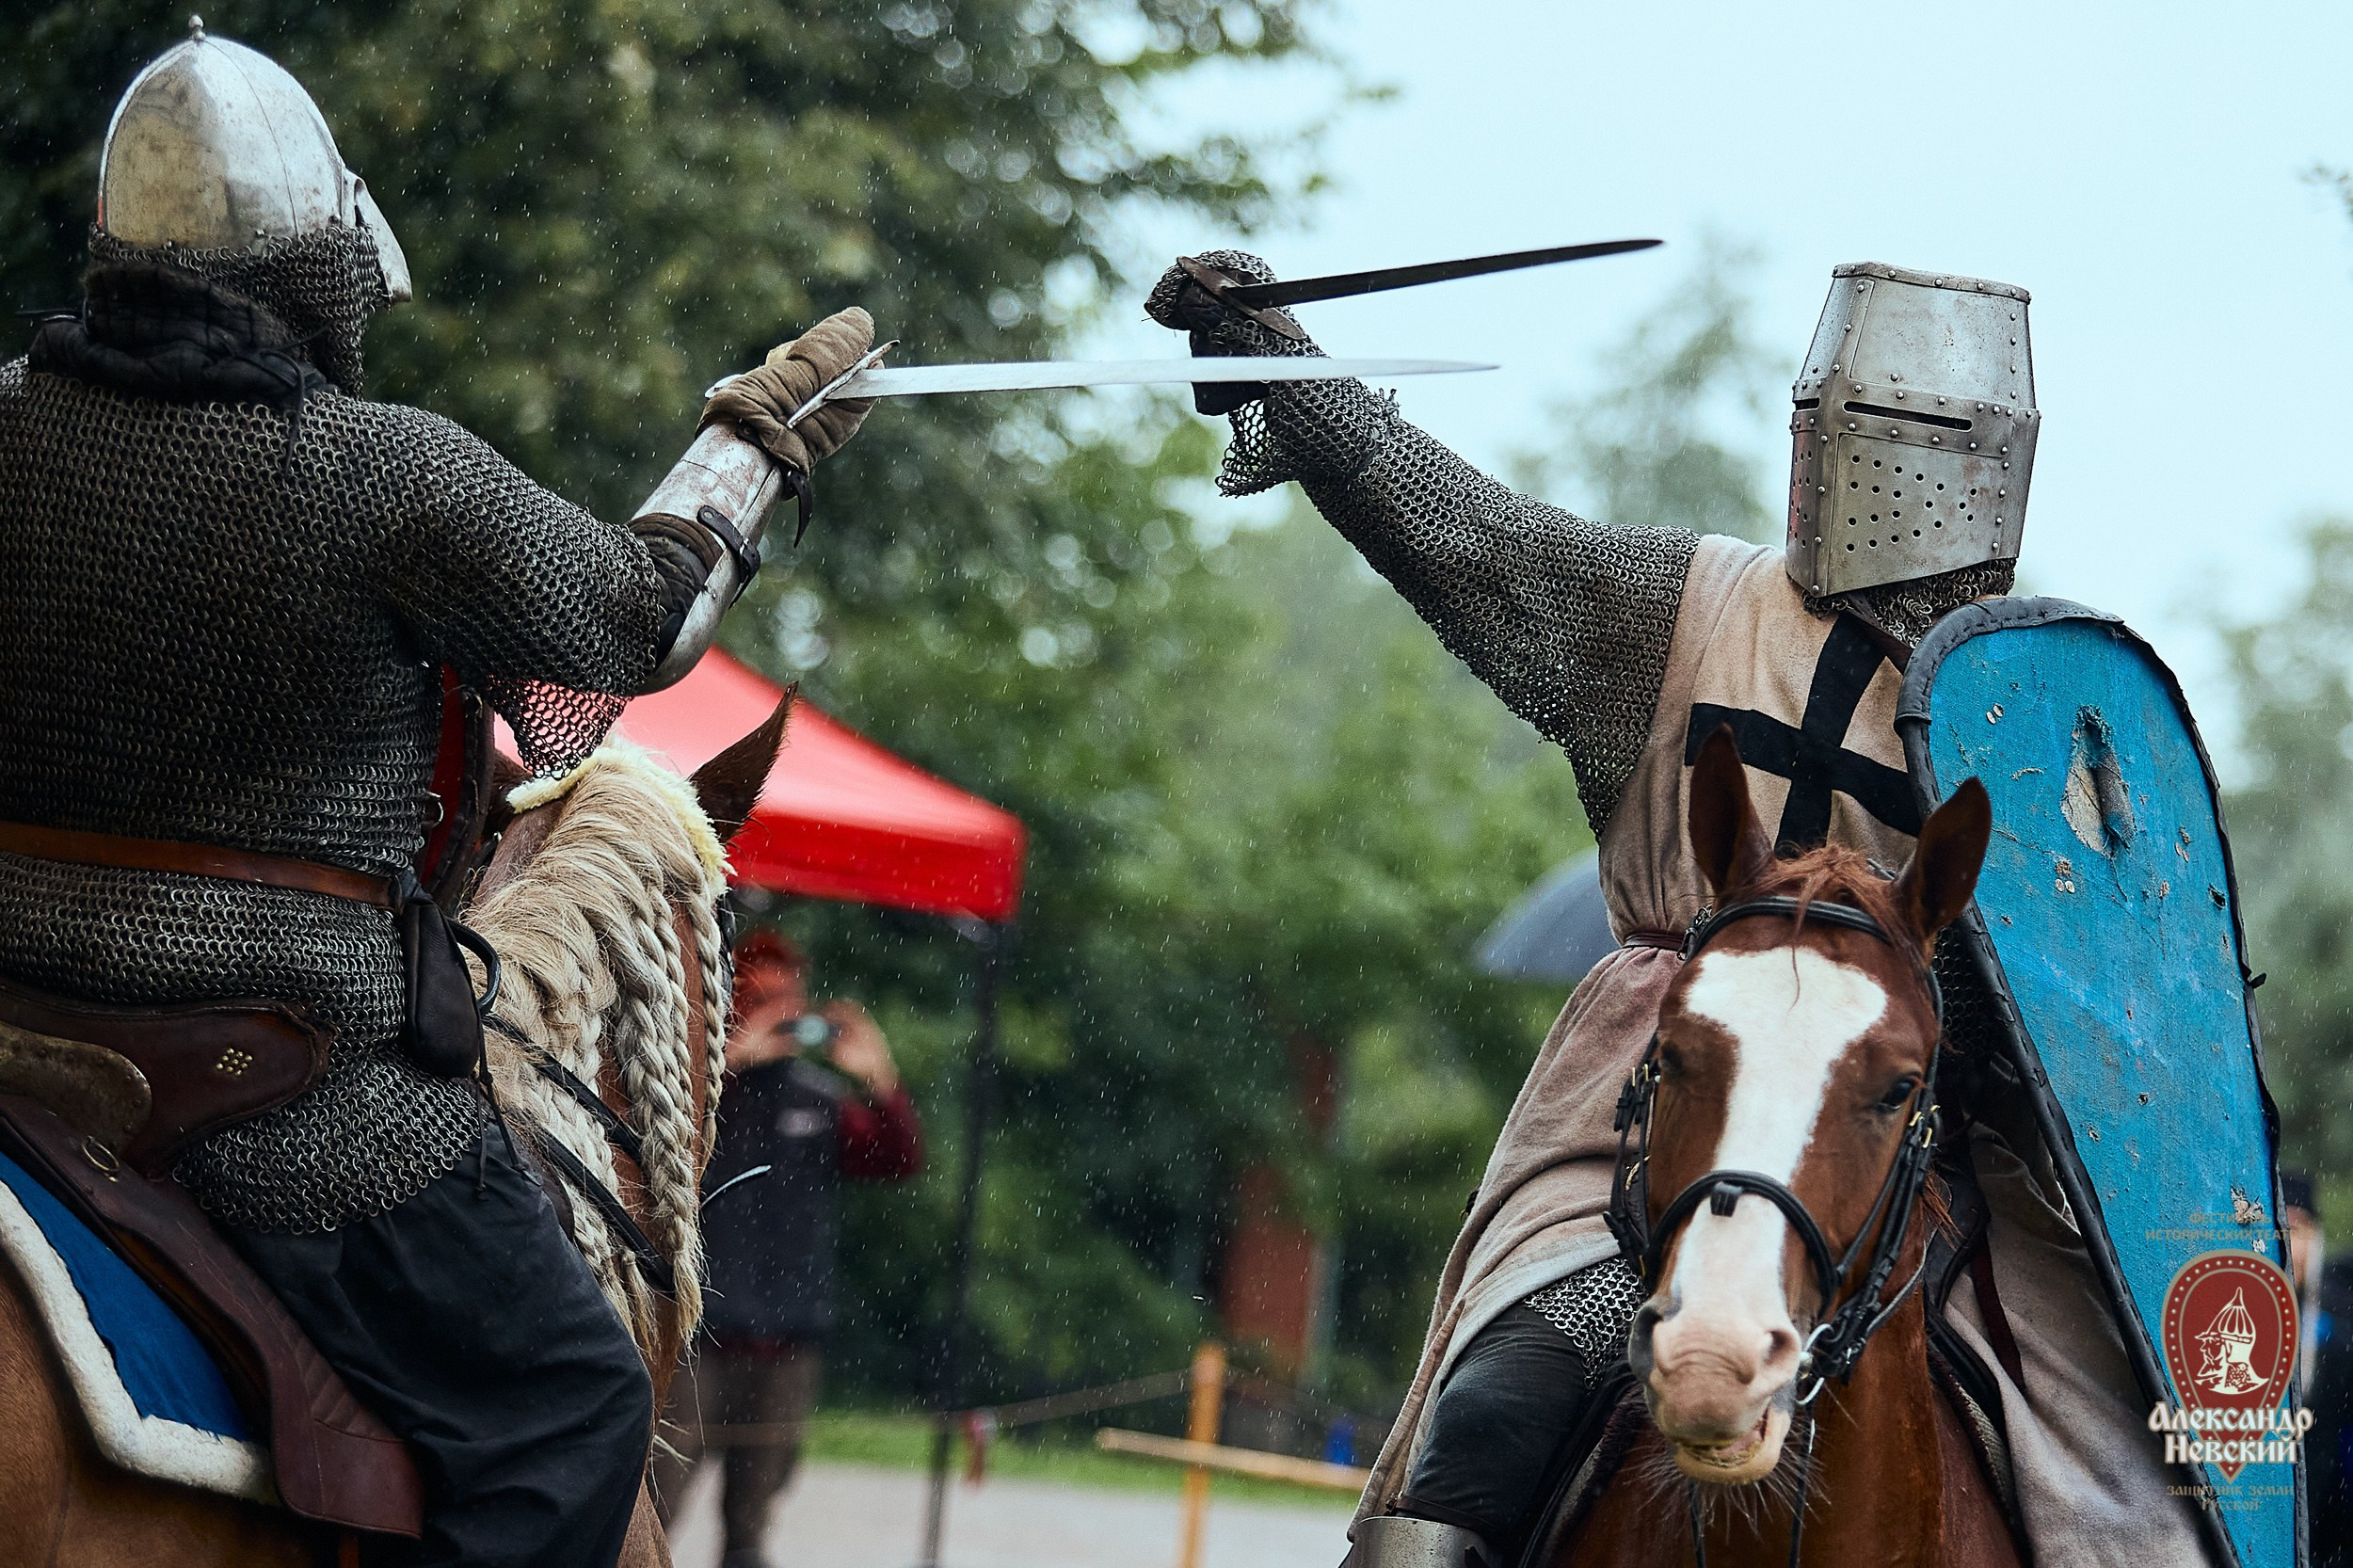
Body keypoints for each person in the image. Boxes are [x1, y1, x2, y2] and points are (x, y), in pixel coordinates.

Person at [1148, 255, 2212, 1565]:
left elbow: (2119, 1006)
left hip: (1922, 1141)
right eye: (1860, 427)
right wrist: (1282, 363)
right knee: (1490, 1422)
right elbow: (1462, 531)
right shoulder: (1683, 608)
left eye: (1924, 442)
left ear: (1990, 468)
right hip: (1654, 1093)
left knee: (2135, 1491)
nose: (1883, 467)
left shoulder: (2036, 708)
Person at [0, 25, 880, 1568]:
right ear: (309, 264)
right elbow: (629, 626)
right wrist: (753, 449)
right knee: (571, 1402)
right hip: (278, 1075)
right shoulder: (376, 470)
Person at [656, 930, 922, 1567]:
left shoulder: (820, 1101)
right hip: (702, 1334)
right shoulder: (694, 1092)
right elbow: (657, 1152)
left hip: (788, 1335)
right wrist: (728, 1059)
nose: (780, 1014)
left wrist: (878, 1078)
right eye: (762, 998)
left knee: (752, 1521)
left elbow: (899, 1158)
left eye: (789, 1000)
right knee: (656, 1506)